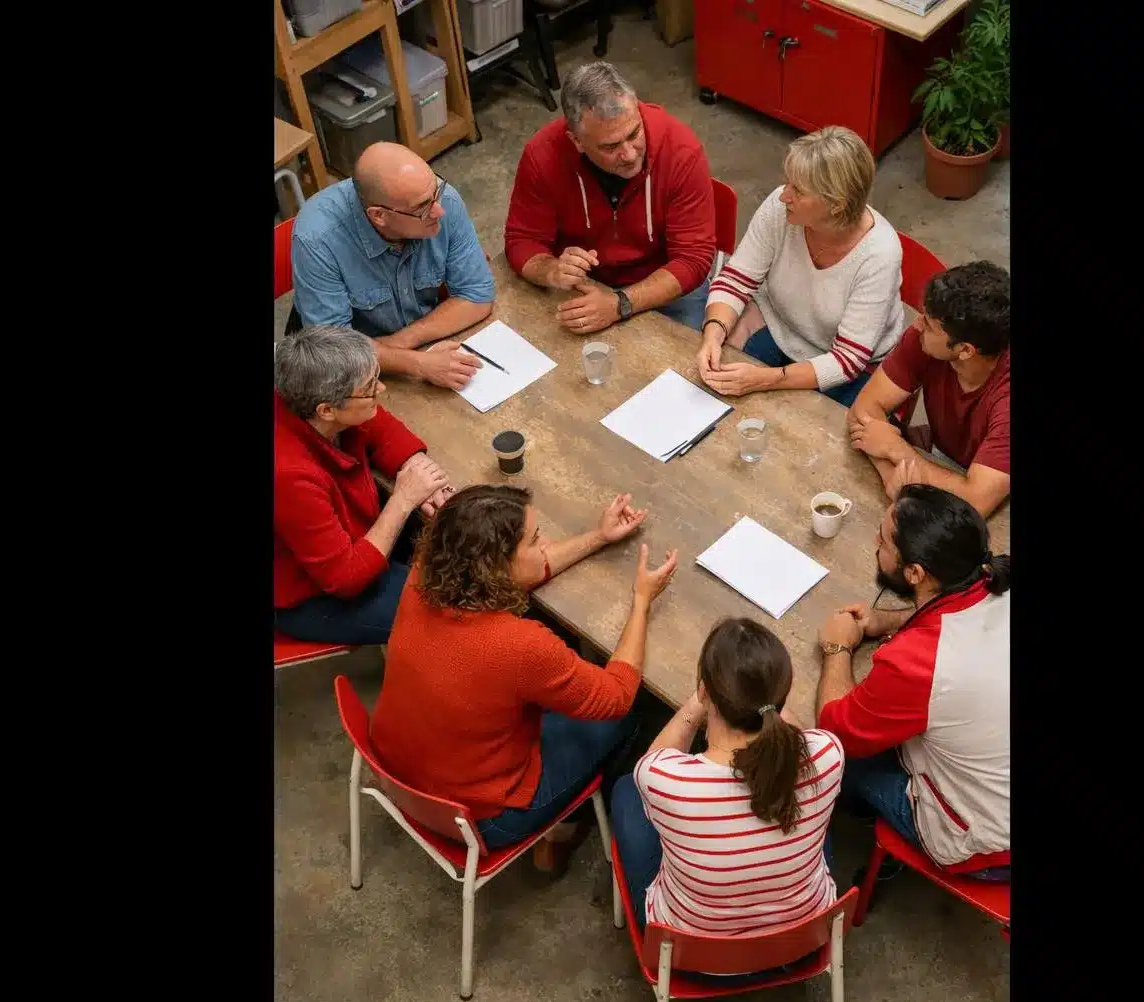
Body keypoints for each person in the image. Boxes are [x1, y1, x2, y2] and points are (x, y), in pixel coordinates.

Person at [370, 484, 680, 870]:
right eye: (535, 540)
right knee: (634, 709)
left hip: (402, 772)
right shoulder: (520, 646)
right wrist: (642, 602)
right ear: (495, 567)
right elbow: (615, 694)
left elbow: (528, 571)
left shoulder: (427, 573)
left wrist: (599, 536)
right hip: (485, 815)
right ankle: (566, 830)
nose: (546, 542)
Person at [814, 484, 1010, 882]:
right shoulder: (996, 579)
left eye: (883, 540)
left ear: (915, 573)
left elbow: (834, 729)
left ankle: (860, 819)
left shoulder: (917, 664)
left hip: (986, 847)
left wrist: (838, 647)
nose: (875, 541)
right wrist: (887, 620)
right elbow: (955, 612)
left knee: (826, 757)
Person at [610, 618, 846, 935]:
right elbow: (796, 738)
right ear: (783, 695)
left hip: (690, 957)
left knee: (626, 790)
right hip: (803, 938)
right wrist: (768, 701)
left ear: (706, 691)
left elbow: (652, 760)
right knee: (816, 811)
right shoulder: (829, 754)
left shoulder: (665, 780)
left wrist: (696, 705)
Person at [695, 126, 904, 408]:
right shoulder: (779, 208)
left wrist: (765, 379)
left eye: (799, 190)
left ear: (837, 206)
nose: (784, 196)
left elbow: (847, 360)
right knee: (716, 387)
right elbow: (736, 279)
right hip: (780, 325)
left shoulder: (880, 255)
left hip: (844, 365)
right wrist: (713, 333)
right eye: (788, 182)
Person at [274, 324, 458, 646]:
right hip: (312, 594)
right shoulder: (289, 476)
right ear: (327, 410)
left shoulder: (308, 393)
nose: (382, 390)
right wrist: (403, 498)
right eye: (371, 388)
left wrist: (414, 464)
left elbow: (376, 421)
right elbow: (345, 578)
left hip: (355, 535)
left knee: (464, 545)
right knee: (458, 609)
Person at [503, 61, 716, 335]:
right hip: (586, 285)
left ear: (637, 108)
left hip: (666, 286)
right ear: (576, 141)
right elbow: (522, 240)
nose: (629, 154)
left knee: (686, 372)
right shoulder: (542, 156)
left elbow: (693, 259)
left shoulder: (681, 151)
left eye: (634, 134)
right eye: (611, 146)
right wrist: (550, 270)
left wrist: (620, 304)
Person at [290, 142, 494, 392]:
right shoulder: (317, 239)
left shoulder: (444, 201)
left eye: (436, 192)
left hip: (400, 345)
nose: (439, 210)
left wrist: (402, 341)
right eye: (422, 208)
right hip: (354, 376)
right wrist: (420, 365)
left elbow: (477, 295)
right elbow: (336, 349)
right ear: (379, 216)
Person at [845, 261, 1011, 516]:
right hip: (943, 462)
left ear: (965, 350)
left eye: (930, 325)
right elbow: (863, 410)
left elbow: (977, 501)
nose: (918, 324)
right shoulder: (925, 340)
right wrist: (892, 475)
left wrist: (896, 449)